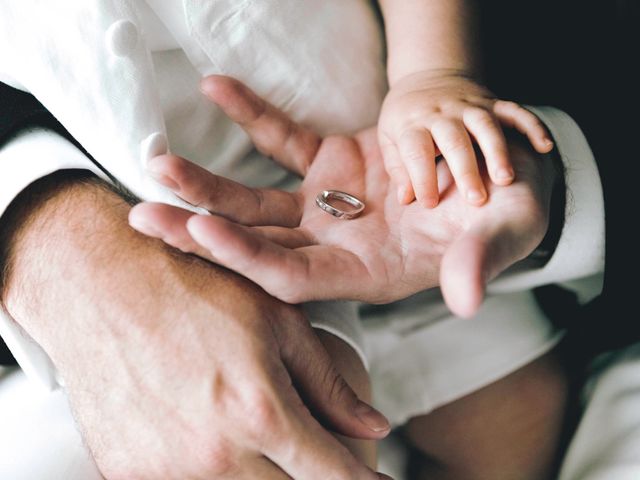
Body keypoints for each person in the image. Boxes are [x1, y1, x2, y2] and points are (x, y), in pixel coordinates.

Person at [0, 1, 610, 480]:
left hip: (405, 184)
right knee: (293, 429)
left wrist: (437, 74)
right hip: (189, 254)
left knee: (517, 409)